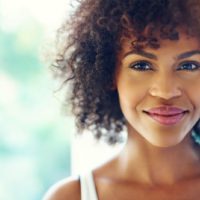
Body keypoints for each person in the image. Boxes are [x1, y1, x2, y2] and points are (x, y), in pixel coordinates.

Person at [43, 0, 200, 199]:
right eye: (142, 66)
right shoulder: (71, 196)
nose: (166, 91)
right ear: (109, 73)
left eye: (189, 66)